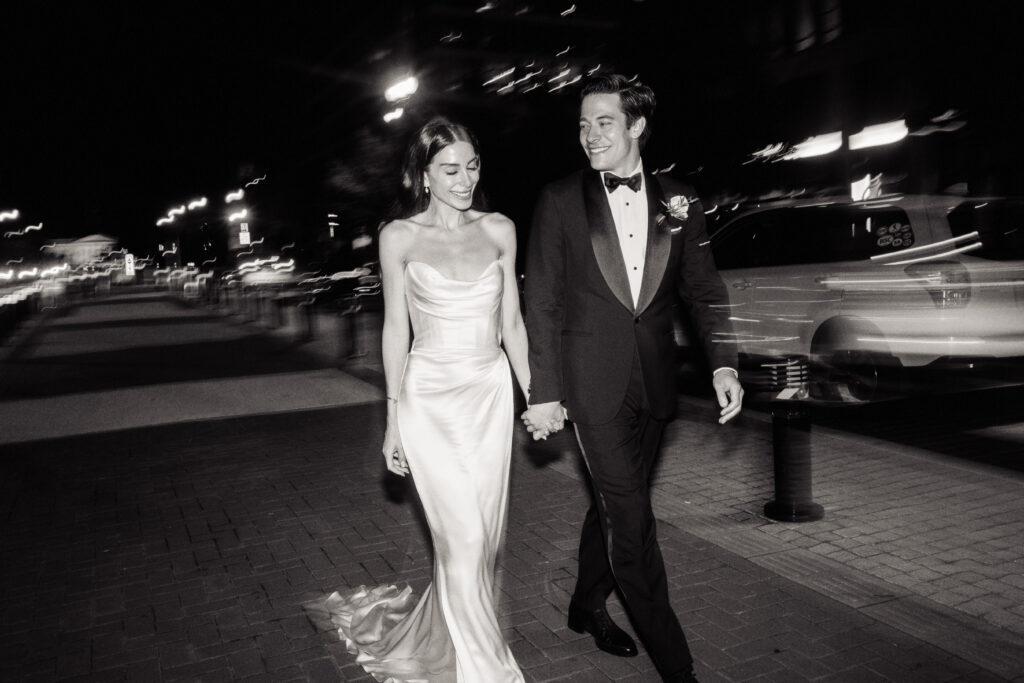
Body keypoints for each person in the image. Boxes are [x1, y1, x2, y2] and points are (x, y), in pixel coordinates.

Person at [521, 74, 744, 683]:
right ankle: (679, 666)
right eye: (584, 124)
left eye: (604, 122)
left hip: (654, 382)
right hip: (589, 387)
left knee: (617, 507)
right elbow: (540, 301)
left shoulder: (682, 200)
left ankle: (585, 602)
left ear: (637, 126)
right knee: (634, 523)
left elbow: (703, 291)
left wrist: (723, 360)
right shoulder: (560, 199)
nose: (590, 135)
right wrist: (544, 393)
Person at [325, 117, 527, 682]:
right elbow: (396, 330)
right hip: (429, 400)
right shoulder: (400, 237)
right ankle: (485, 671)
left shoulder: (499, 230)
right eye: (450, 169)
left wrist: (536, 394)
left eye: (472, 166)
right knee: (461, 536)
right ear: (424, 175)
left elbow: (512, 322)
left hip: (488, 397)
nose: (465, 180)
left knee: (482, 541)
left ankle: (451, 641)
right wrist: (390, 420)